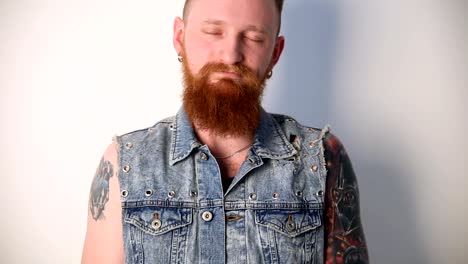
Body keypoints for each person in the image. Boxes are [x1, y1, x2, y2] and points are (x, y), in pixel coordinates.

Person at [81, 0, 369, 263]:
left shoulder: (322, 158)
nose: (231, 55)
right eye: (213, 32)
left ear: (275, 54)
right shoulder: (125, 163)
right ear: (179, 37)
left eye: (254, 37)